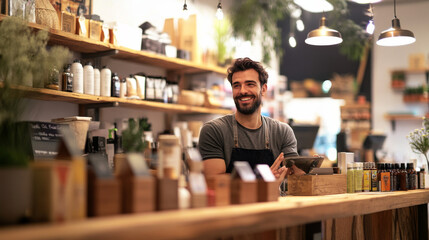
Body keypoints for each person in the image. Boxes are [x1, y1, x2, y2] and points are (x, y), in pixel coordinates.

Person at [198, 57, 300, 178]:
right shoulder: (214, 131)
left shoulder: (282, 132)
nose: (242, 91)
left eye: (250, 84)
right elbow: (213, 180)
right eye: (237, 85)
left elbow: (294, 175)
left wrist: (308, 167)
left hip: (274, 197)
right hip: (231, 198)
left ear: (263, 89)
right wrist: (260, 179)